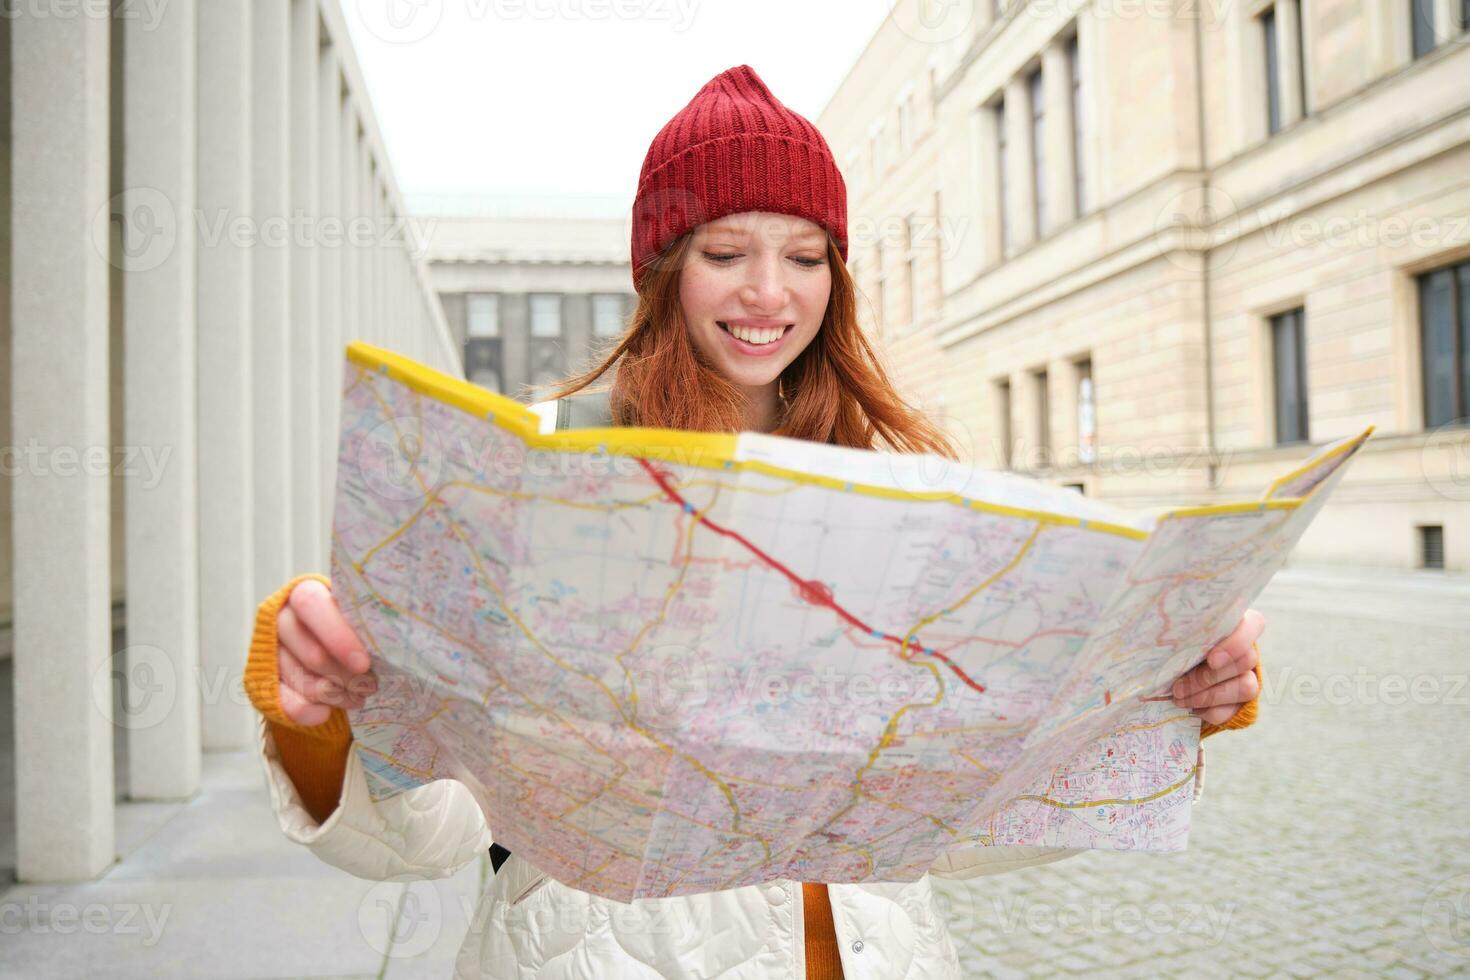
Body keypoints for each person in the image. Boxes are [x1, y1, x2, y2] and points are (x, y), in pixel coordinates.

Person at [243, 64, 1264, 979]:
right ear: (664, 269)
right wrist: (321, 720)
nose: (771, 292)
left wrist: (1158, 702)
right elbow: (429, 832)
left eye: (808, 256)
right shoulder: (545, 476)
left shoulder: (903, 482)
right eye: (728, 251)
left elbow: (959, 817)